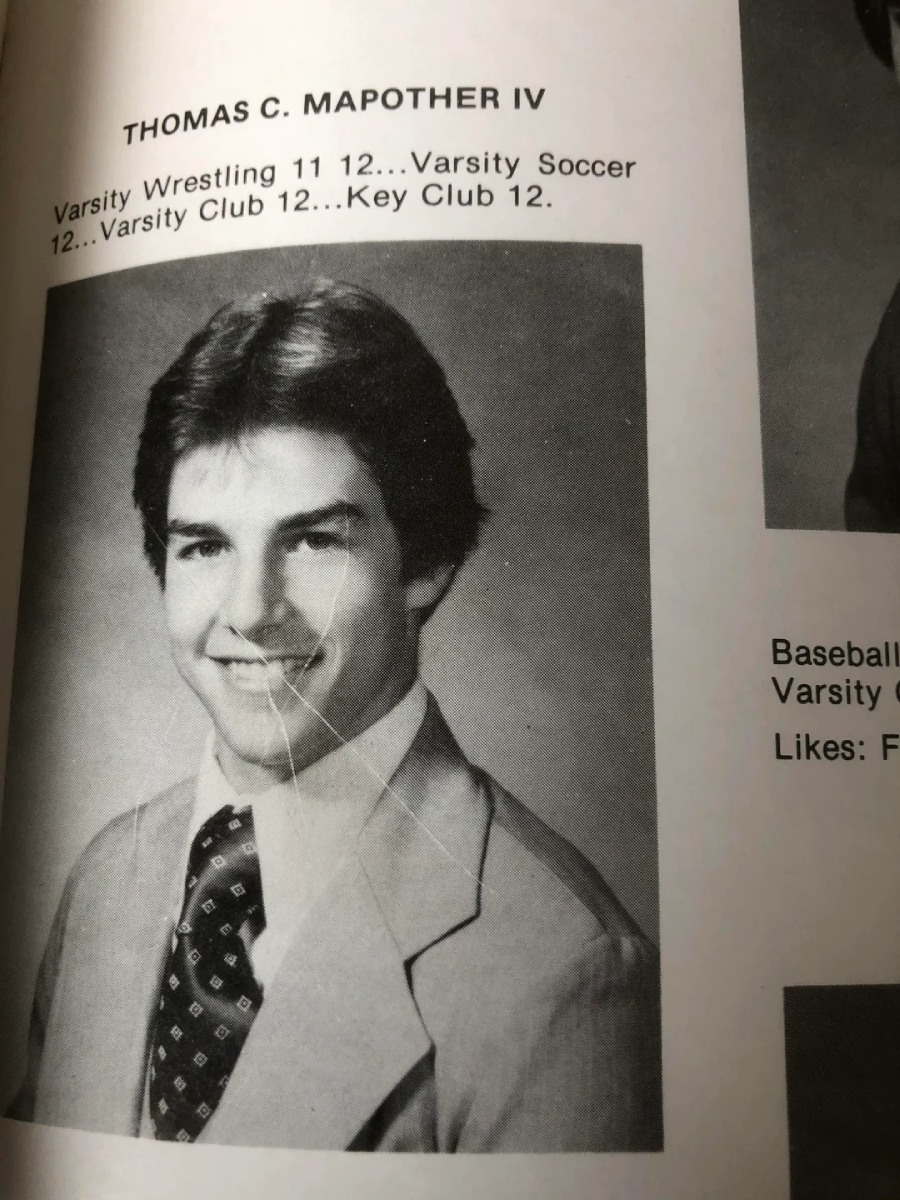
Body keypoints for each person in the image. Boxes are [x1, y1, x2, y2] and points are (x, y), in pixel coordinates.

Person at [7, 280, 662, 1152]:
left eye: (314, 540)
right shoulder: (107, 878)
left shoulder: (564, 969)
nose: (249, 610)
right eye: (204, 546)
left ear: (425, 563)